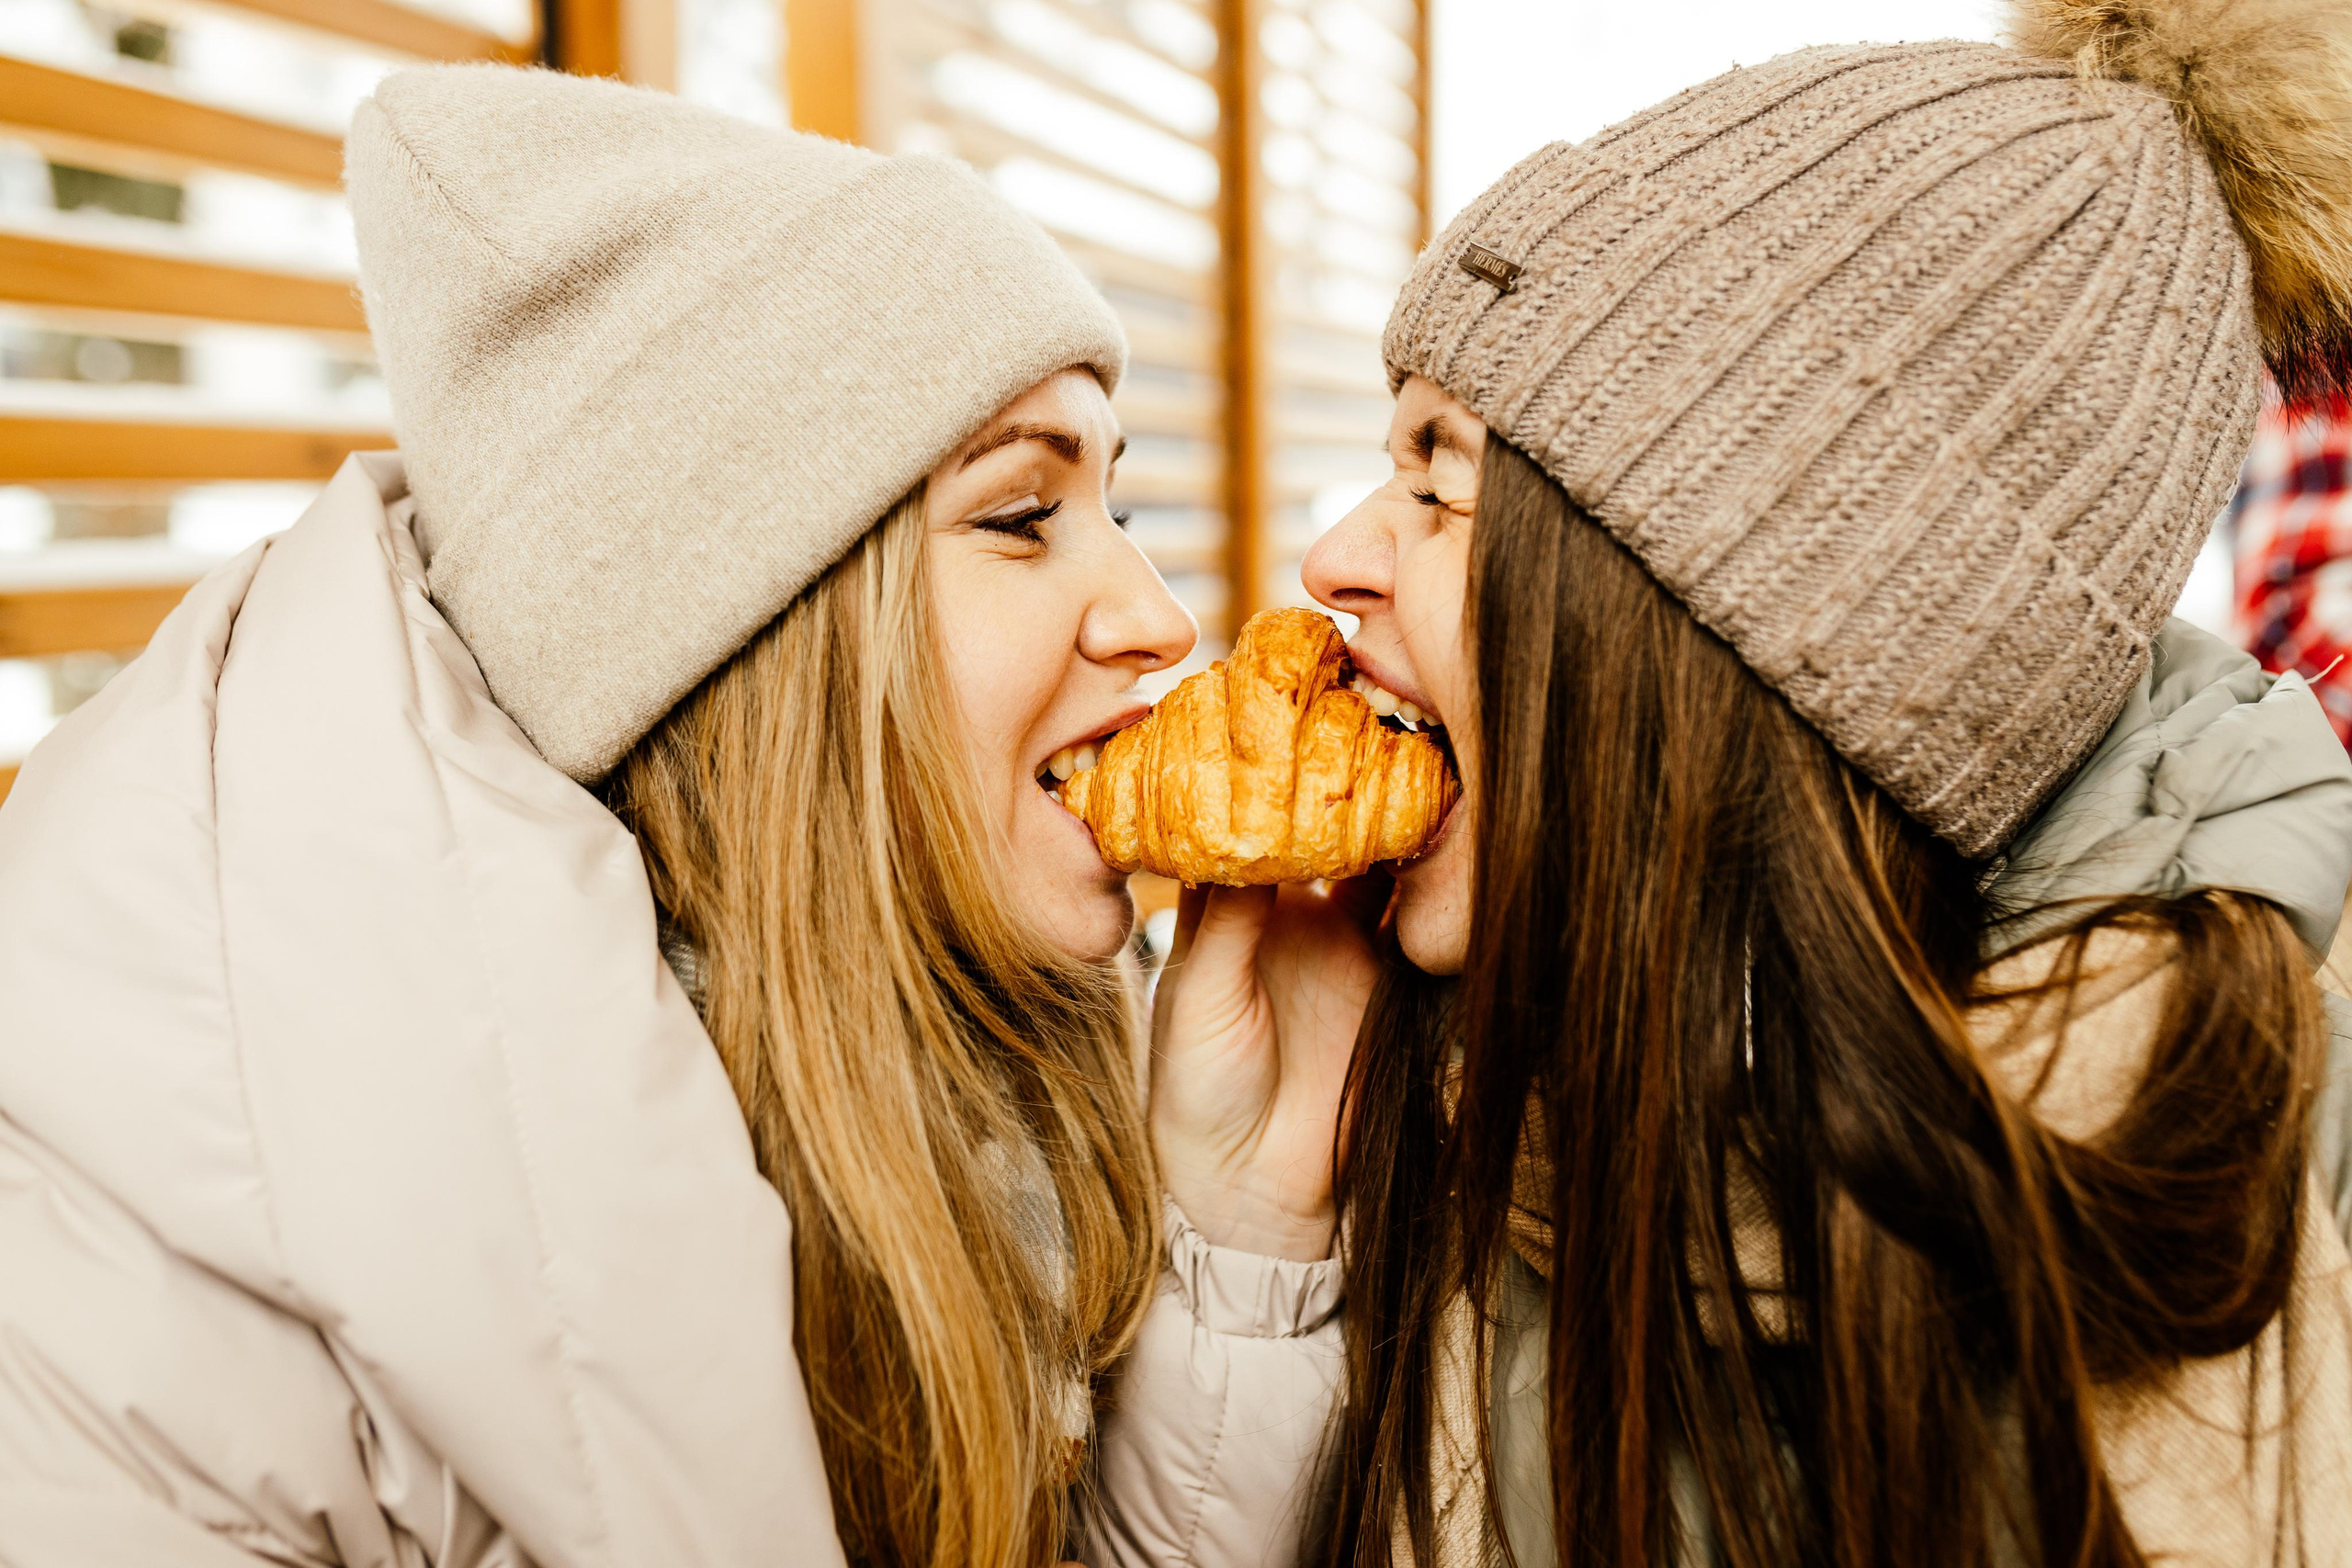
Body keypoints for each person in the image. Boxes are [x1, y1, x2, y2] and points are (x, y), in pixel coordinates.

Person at [0, 66, 1324, 1568]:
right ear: (747, 637)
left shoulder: (1024, 1070)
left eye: (1122, 510)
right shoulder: (147, 1307)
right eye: (1023, 514)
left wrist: (1242, 1237)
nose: (1158, 616)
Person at [1137, 4, 2352, 1565]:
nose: (1334, 559)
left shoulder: (2266, 1160)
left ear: (1758, 637)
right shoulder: (1434, 1087)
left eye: (1441, 481)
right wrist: (1254, 1240)